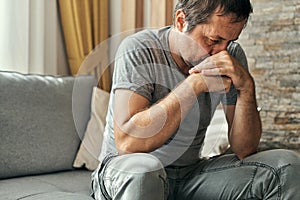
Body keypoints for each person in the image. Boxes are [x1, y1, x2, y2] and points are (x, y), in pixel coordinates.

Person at [91, 0, 300, 199]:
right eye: (213, 40)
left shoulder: (231, 55)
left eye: (230, 42)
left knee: (285, 166)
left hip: (189, 175)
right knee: (144, 172)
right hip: (126, 171)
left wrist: (246, 87)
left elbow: (245, 149)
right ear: (181, 21)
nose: (221, 52)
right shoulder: (140, 49)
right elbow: (128, 143)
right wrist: (195, 84)